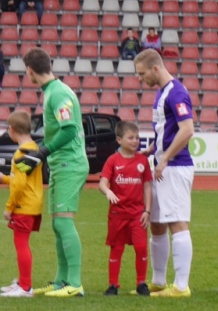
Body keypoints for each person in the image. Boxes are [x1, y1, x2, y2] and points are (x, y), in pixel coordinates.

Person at [16, 49, 89, 297]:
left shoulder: (57, 93)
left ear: (30, 70)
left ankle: (75, 283)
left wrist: (42, 152)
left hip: (70, 163)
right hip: (61, 163)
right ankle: (61, 281)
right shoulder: (53, 91)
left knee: (63, 221)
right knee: (58, 224)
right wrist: (39, 153)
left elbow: (69, 130)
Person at [133, 49, 196, 298]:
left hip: (175, 167)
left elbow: (187, 129)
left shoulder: (176, 92)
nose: (140, 79)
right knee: (157, 224)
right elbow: (165, 131)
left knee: (177, 222)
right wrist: (152, 150)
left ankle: (181, 286)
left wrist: (166, 157)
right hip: (161, 165)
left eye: (142, 74)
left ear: (155, 68)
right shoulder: (161, 92)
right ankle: (159, 281)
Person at [98, 121, 152, 296]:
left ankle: (141, 283)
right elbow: (102, 183)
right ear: (119, 140)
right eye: (131, 138)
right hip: (117, 214)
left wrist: (147, 210)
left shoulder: (143, 161)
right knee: (117, 248)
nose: (135, 141)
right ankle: (113, 285)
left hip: (138, 214)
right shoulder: (113, 160)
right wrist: (108, 191)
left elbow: (147, 186)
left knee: (141, 247)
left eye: (137, 137)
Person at [0, 111, 43, 297]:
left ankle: (25, 287)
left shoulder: (21, 153)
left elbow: (19, 186)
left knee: (21, 244)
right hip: (32, 203)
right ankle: (22, 282)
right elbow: (22, 180)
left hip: (23, 205)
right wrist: (4, 178)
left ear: (12, 129)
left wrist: (9, 207)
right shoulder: (33, 148)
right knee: (22, 243)